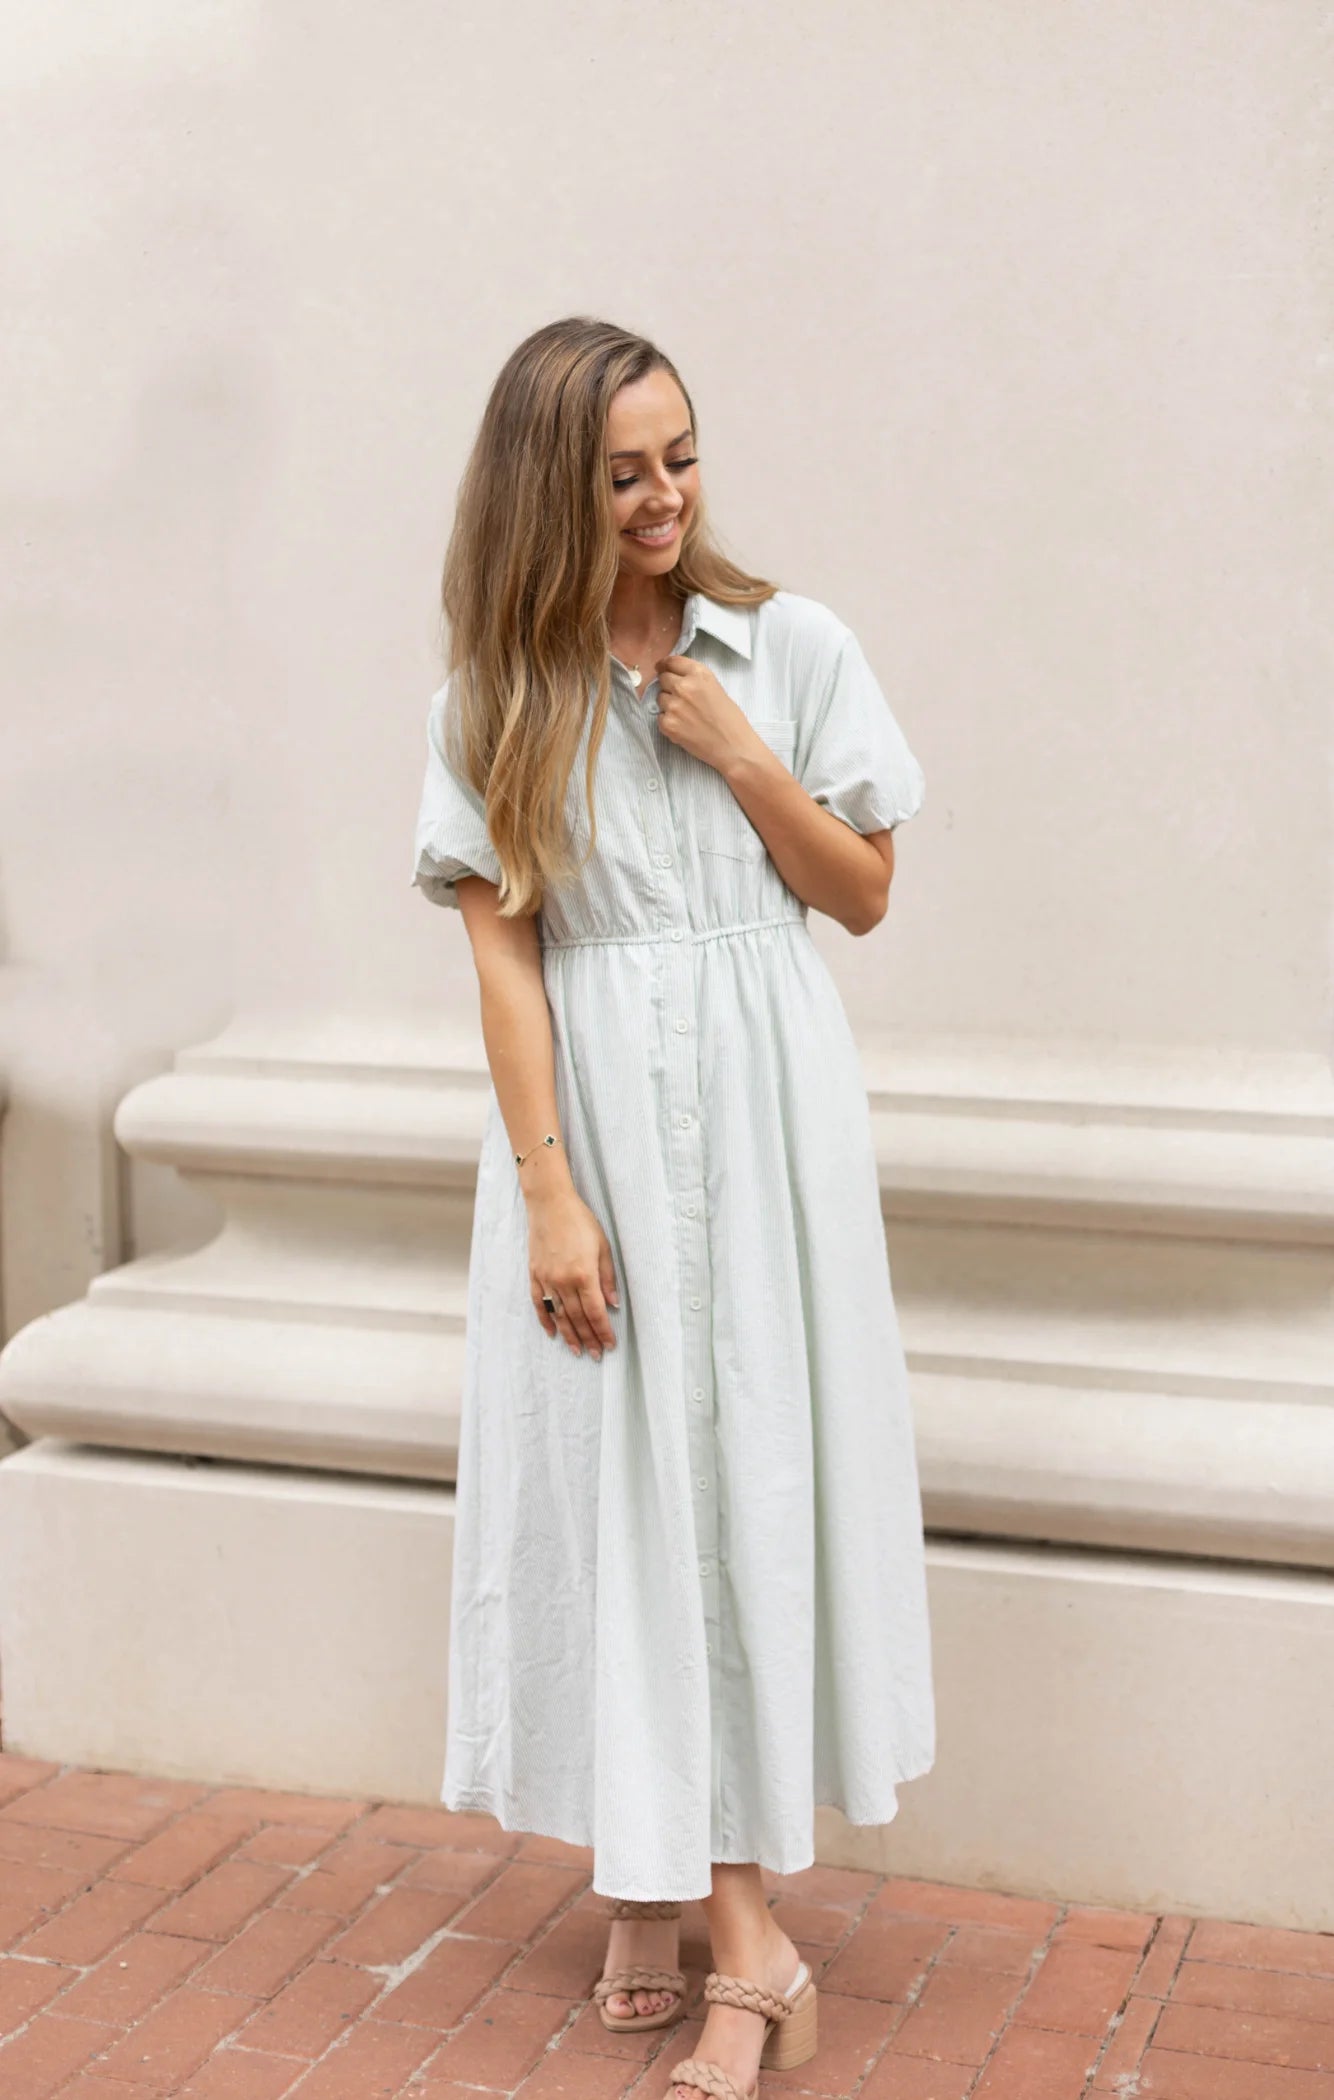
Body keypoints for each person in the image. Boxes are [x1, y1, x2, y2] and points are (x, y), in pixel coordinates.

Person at [411, 315, 936, 2100]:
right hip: (599, 1139)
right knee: (615, 1494)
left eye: (682, 457)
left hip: (769, 1134)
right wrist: (554, 1195)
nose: (662, 496)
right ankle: (690, 1903)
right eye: (623, 470)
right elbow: (503, 964)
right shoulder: (494, 694)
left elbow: (859, 894)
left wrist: (739, 754)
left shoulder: (787, 648)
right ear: (551, 490)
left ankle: (723, 1918)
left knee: (739, 1488)